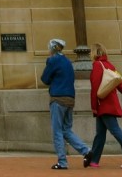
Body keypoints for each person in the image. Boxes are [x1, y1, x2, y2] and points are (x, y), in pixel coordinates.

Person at [87, 42, 122, 169]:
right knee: (100, 134)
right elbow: (120, 85)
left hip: (103, 105)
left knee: (116, 131)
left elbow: (95, 87)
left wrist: (93, 106)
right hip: (110, 104)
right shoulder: (110, 65)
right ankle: (94, 160)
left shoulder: (96, 65)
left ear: (94, 53)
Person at [41, 38, 92, 170]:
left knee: (57, 131)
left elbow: (45, 79)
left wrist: (49, 63)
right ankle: (86, 150)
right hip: (70, 98)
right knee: (66, 129)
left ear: (52, 48)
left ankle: (62, 162)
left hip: (58, 98)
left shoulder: (53, 60)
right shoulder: (68, 61)